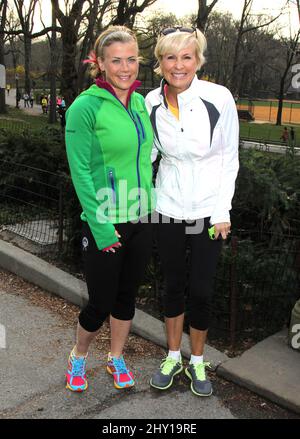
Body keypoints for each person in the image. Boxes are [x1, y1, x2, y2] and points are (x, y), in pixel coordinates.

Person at [145, 26, 239, 397]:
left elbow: (229, 158)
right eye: (170, 57)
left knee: (200, 290)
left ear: (198, 60)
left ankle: (197, 361)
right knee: (171, 286)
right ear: (161, 62)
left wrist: (222, 211)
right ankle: (172, 356)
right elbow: (147, 155)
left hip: (208, 213)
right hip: (166, 207)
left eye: (187, 57)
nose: (178, 65)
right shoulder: (150, 101)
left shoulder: (218, 98)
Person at [65, 25, 154, 392]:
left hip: (141, 217)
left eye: (131, 59)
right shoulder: (85, 107)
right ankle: (78, 356)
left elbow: (146, 159)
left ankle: (116, 358)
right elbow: (81, 172)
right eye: (116, 60)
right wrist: (101, 226)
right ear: (99, 63)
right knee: (100, 302)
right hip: (105, 220)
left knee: (125, 298)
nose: (125, 67)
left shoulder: (138, 102)